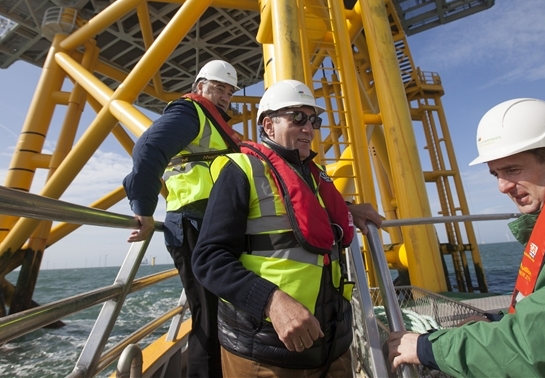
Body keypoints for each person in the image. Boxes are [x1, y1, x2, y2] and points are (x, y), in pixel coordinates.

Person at [388, 98, 545, 377]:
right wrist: (496, 322)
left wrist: (428, 348)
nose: (502, 186)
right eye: (496, 173)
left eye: (512, 170)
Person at [191, 79, 383, 378]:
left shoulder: (313, 176)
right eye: (297, 117)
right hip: (268, 354)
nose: (308, 127)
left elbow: (302, 211)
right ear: (268, 126)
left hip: (332, 347)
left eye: (313, 120)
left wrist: (348, 208)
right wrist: (271, 301)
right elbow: (209, 259)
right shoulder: (241, 171)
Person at [123, 60, 242, 378]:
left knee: (222, 314)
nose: (224, 97)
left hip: (214, 224)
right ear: (200, 85)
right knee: (209, 316)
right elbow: (147, 149)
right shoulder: (190, 113)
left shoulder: (215, 125)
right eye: (219, 88)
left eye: (229, 91)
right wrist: (145, 210)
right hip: (193, 224)